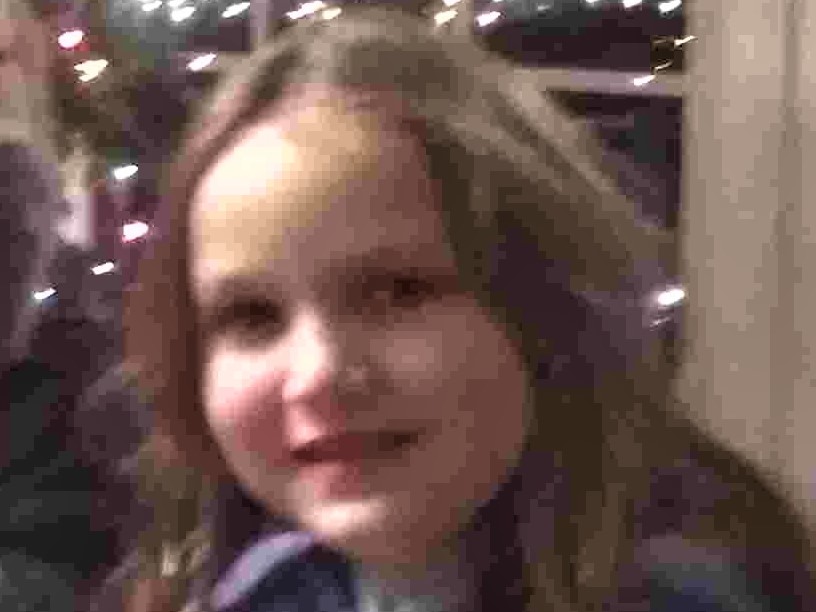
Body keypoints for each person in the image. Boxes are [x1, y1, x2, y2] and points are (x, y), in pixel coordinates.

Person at [124, 7, 814, 612]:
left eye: (396, 292)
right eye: (252, 317)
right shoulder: (263, 590)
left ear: (547, 308)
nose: (317, 375)